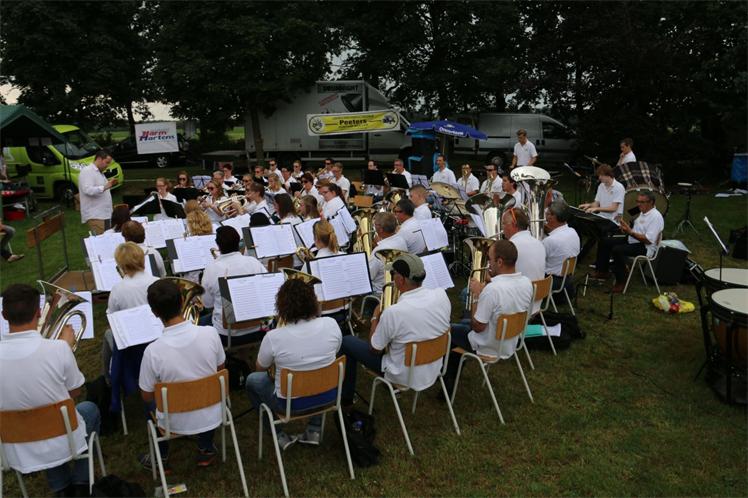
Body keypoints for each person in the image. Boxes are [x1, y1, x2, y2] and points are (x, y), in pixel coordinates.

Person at [0, 284, 101, 497]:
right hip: (61, 438)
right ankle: (81, 483)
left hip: (15, 447)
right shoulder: (59, 349)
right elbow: (74, 392)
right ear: (39, 313)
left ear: (3, 315)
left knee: (44, 421)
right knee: (88, 409)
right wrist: (66, 348)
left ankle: (61, 489)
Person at [339, 253, 450, 405]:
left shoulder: (394, 312)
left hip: (403, 374)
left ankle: (346, 398)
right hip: (434, 367)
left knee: (347, 342)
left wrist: (375, 317)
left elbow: (374, 348)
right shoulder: (441, 295)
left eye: (393, 273)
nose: (391, 277)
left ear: (401, 279)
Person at [138, 279, 226, 470]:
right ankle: (206, 448)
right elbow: (220, 369)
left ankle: (161, 457)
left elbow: (146, 396)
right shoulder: (211, 333)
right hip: (213, 414)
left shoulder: (152, 352)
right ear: (182, 301)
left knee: (147, 401)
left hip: (173, 423)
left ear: (154, 312)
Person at [246, 278, 343, 448]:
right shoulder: (332, 324)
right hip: (329, 396)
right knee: (318, 371)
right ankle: (314, 430)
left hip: (289, 405)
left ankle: (278, 434)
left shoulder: (273, 337)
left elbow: (260, 368)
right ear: (313, 301)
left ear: (282, 306)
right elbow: (335, 351)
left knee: (253, 380)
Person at [445, 240, 533, 391]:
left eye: (490, 259)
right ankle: (451, 368)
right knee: (463, 323)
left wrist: (477, 295)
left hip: (489, 345)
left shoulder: (492, 290)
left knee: (446, 331)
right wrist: (488, 285)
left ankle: (446, 381)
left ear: (500, 262)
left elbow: (477, 327)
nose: (488, 263)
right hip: (510, 341)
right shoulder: (526, 282)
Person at [201, 226, 267, 345]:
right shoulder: (254, 262)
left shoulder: (211, 269)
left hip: (227, 335)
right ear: (238, 242)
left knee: (198, 324)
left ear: (218, 245)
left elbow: (207, 304)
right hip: (258, 329)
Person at [593, 191, 664, 293]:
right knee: (605, 241)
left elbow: (648, 240)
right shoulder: (642, 211)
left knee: (617, 250)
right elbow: (637, 228)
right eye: (637, 201)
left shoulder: (655, 217)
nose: (638, 204)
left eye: (642, 202)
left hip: (645, 247)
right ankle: (602, 271)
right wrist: (626, 228)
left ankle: (621, 281)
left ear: (651, 202)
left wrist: (630, 232)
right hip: (633, 239)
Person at [501, 208, 545, 312]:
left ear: (514, 224)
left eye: (503, 223)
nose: (502, 227)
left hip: (518, 307)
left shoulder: (511, 246)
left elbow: (500, 280)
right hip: (536, 303)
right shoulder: (539, 243)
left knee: (470, 292)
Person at [542, 201, 581, 292]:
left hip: (551, 281)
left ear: (552, 217)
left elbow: (537, 262)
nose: (545, 216)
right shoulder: (573, 232)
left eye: (547, 214)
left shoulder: (550, 241)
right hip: (567, 279)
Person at [79, 149, 118, 234]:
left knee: (108, 238)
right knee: (101, 240)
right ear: (99, 159)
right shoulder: (87, 171)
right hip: (95, 216)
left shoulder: (99, 172)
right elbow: (87, 190)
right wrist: (105, 187)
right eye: (107, 162)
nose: (107, 165)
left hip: (105, 214)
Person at [368, 212, 408, 293]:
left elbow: (368, 276)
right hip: (395, 287)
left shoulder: (378, 251)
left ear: (381, 229)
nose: (374, 227)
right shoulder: (401, 239)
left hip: (378, 292)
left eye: (375, 224)